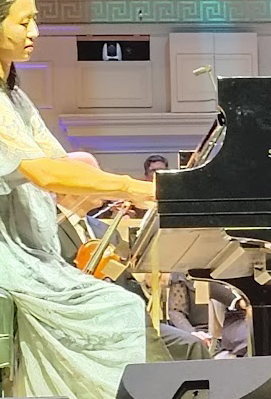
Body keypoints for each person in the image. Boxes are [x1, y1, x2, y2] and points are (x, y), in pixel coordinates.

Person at [0, 0, 155, 399]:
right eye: (23, 21)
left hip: (13, 245)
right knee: (118, 307)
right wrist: (138, 188)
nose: (35, 31)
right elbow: (45, 174)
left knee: (119, 302)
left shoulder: (12, 96)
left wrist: (121, 190)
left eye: (35, 20)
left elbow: (58, 162)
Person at [56, 151, 211, 362]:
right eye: (95, 175)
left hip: (122, 318)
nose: (103, 181)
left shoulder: (102, 229)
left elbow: (125, 278)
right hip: (80, 323)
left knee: (191, 345)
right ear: (69, 183)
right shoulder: (48, 226)